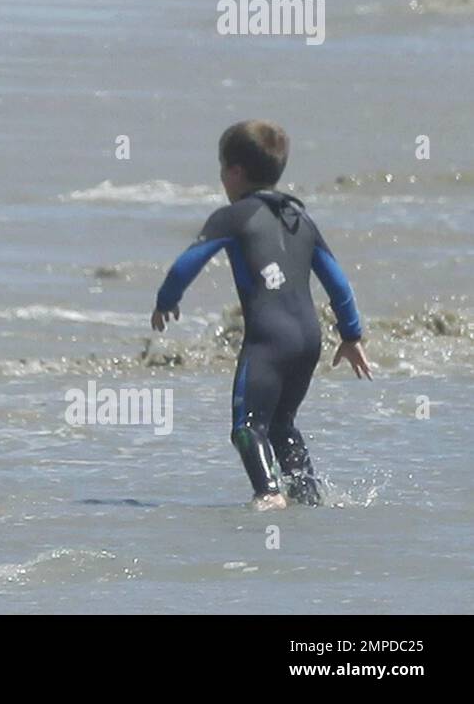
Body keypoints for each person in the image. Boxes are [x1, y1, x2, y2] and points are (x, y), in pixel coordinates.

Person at [151, 120, 372, 509]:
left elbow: (187, 263)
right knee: (282, 423)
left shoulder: (232, 217)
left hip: (268, 339)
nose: (221, 178)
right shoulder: (301, 219)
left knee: (247, 427)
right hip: (309, 338)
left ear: (235, 171)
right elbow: (338, 281)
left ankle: (269, 493)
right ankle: (308, 495)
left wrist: (166, 300)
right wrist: (351, 335)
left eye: (222, 168)